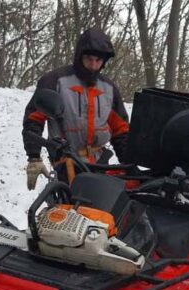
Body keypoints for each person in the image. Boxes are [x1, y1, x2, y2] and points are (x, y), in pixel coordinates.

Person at [22, 27, 130, 189]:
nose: (93, 65)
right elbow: (34, 120)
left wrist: (128, 164)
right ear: (80, 57)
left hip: (99, 163)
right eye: (89, 59)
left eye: (98, 60)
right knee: (67, 210)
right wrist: (34, 156)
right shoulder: (55, 81)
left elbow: (120, 130)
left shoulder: (109, 88)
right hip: (66, 162)